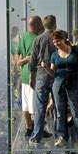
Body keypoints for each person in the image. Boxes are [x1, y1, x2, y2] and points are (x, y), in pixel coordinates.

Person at [47, 30, 78, 148]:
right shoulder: (54, 55)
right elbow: (53, 73)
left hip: (74, 83)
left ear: (64, 39)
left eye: (58, 40)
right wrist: (45, 68)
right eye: (54, 41)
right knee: (59, 111)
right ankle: (61, 136)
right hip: (58, 84)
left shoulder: (75, 50)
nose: (56, 43)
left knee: (76, 111)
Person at [28, 15, 57, 143]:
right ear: (55, 24)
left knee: (40, 107)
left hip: (41, 76)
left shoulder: (37, 39)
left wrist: (31, 77)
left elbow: (32, 60)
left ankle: (36, 136)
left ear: (43, 25)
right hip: (56, 76)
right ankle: (60, 135)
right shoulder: (58, 38)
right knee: (58, 106)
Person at [17, 16, 43, 137]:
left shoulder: (23, 37)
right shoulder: (37, 39)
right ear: (38, 25)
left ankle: (28, 127)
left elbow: (18, 60)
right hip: (34, 75)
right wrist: (29, 58)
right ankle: (37, 131)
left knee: (26, 105)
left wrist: (24, 60)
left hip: (24, 76)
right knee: (35, 105)